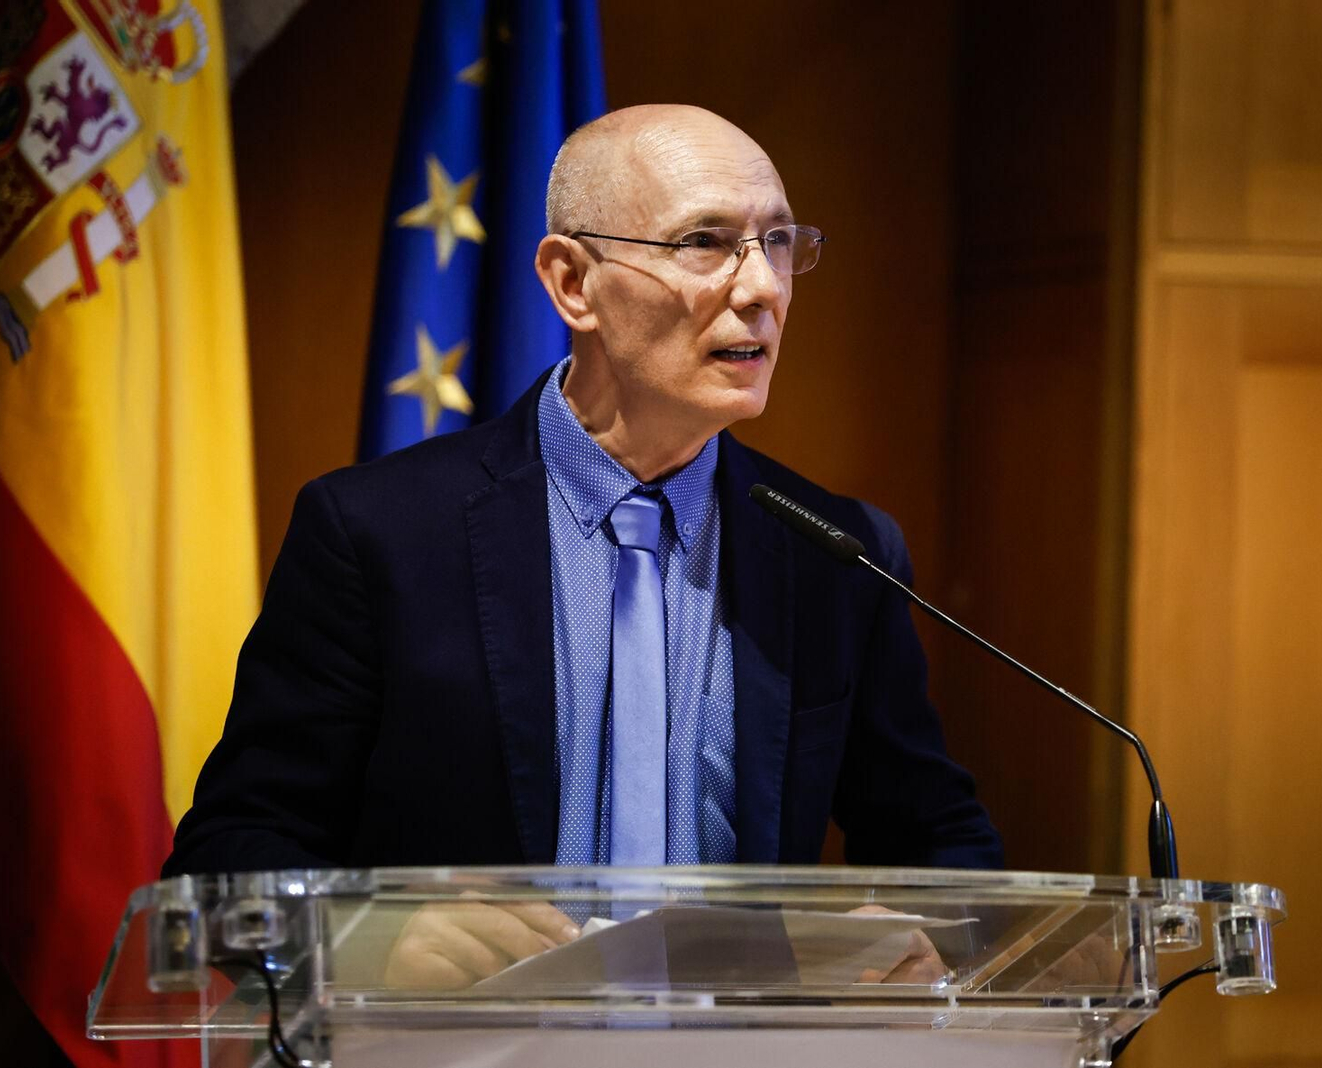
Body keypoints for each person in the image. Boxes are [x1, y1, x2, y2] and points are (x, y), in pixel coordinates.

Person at [165, 104, 1000, 986]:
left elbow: (941, 845)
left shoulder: (838, 553)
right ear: (573, 283)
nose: (763, 288)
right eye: (705, 241)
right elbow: (226, 864)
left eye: (780, 242)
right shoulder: (378, 535)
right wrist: (367, 940)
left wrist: (924, 931)